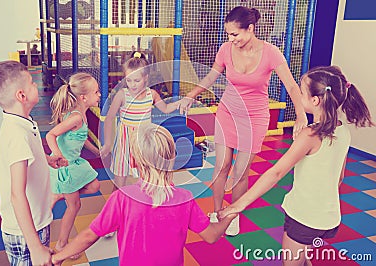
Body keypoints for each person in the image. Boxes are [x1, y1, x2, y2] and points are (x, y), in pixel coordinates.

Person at [219, 65, 374, 265]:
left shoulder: (310, 135)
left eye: (302, 93)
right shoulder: (343, 132)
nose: (299, 97)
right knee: (303, 257)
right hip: (329, 216)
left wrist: (236, 207)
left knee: (291, 262)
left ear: (315, 100)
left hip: (304, 218)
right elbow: (340, 177)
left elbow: (276, 173)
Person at [179, 6, 308, 236]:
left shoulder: (271, 53)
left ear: (250, 29)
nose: (231, 39)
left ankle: (232, 216)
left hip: (255, 118)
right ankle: (217, 212)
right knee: (221, 166)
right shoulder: (226, 50)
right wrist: (190, 96)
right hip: (228, 112)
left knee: (240, 171)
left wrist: (300, 115)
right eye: (228, 34)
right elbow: (211, 76)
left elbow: (290, 85)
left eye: (235, 34)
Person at [52, 123, 238, 265]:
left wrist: (57, 258)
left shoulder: (122, 198)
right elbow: (212, 236)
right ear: (172, 159)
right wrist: (230, 214)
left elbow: (88, 236)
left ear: (132, 162)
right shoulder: (185, 199)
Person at [0, 60, 65, 266]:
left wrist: (45, 160)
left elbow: (24, 158)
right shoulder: (17, 134)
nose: (36, 84)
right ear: (21, 95)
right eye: (31, 82)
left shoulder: (22, 122)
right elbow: (16, 194)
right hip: (25, 231)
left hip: (36, 219)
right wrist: (35, 247)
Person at [100, 51, 181, 189]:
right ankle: (116, 206)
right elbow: (109, 118)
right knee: (120, 182)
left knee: (147, 178)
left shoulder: (152, 94)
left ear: (146, 78)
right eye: (128, 80)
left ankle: (144, 205)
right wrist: (107, 143)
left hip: (144, 142)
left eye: (136, 80)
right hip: (125, 142)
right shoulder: (122, 95)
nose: (132, 84)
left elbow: (166, 108)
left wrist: (181, 102)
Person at [46, 72, 101, 257]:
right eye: (96, 92)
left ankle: (59, 194)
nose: (99, 95)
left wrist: (96, 152)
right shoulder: (76, 117)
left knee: (94, 186)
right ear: (84, 97)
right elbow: (51, 135)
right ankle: (62, 245)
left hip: (76, 162)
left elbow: (80, 138)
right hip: (66, 166)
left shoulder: (81, 116)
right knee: (74, 206)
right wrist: (58, 155)